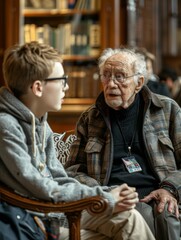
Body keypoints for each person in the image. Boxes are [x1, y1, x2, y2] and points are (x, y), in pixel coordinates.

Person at [0, 41, 155, 240]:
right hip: (33, 221)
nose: (67, 86)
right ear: (38, 87)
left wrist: (107, 192)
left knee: (129, 217)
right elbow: (39, 186)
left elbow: (59, 176)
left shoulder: (42, 124)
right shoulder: (6, 126)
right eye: (61, 79)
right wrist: (104, 198)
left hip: (57, 211)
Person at [65, 47, 181, 240]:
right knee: (142, 214)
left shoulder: (167, 110)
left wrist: (169, 188)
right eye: (106, 76)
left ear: (139, 82)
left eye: (120, 76)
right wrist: (106, 192)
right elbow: (73, 170)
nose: (111, 84)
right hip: (117, 198)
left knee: (167, 214)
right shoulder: (90, 118)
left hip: (160, 191)